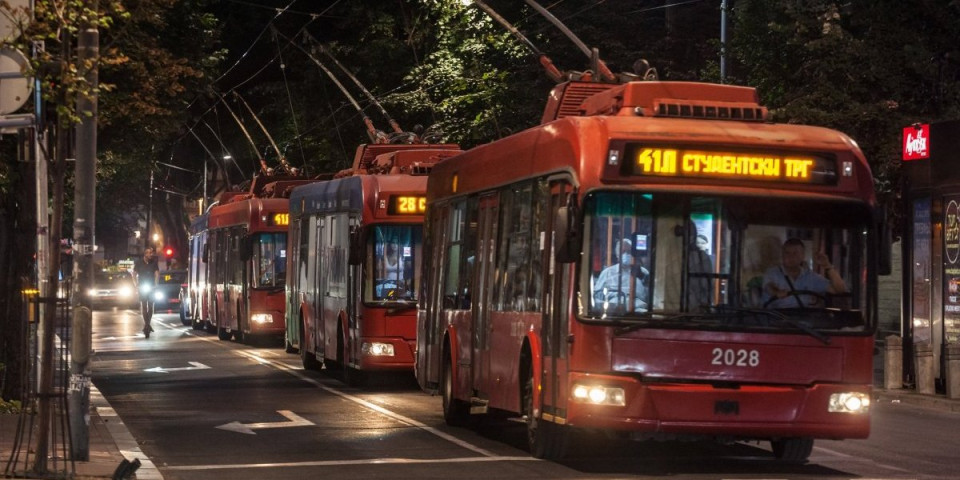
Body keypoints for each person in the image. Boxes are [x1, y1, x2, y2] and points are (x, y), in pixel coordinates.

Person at [763, 238, 846, 308]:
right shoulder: (772, 273)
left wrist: (828, 266)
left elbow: (839, 289)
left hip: (804, 319)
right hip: (777, 318)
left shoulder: (810, 277)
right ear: (782, 255)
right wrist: (777, 292)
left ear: (803, 256)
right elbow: (769, 287)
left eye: (795, 253)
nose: (791, 257)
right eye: (787, 253)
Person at [593, 238, 648, 312]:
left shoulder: (643, 272)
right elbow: (597, 295)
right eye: (623, 252)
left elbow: (652, 295)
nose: (626, 255)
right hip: (614, 311)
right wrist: (613, 295)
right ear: (617, 254)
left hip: (638, 309)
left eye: (629, 252)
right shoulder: (607, 273)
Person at [134, 247, 160, 337]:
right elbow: (134, 274)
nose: (151, 254)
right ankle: (147, 325)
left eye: (152, 253)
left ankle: (147, 325)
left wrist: (156, 284)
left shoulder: (154, 263)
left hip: (151, 287)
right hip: (142, 286)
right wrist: (136, 284)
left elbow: (157, 274)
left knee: (151, 306)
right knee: (144, 306)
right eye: (149, 253)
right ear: (145, 254)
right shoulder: (139, 263)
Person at [687, 233, 714, 310]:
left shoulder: (707, 258)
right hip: (698, 295)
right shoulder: (705, 258)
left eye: (703, 243)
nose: (700, 245)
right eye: (698, 243)